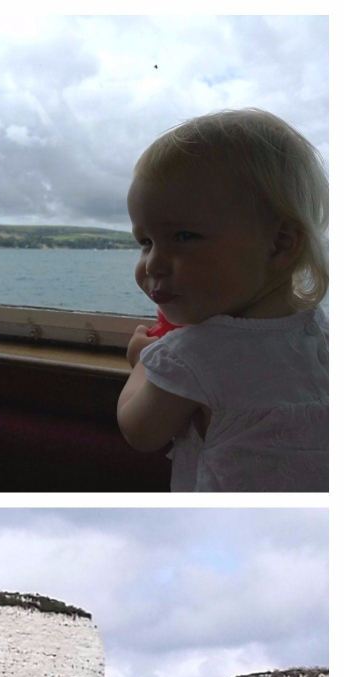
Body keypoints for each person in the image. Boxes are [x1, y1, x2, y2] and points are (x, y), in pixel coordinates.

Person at [117, 108, 328, 492]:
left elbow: (139, 430)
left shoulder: (195, 351)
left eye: (183, 236)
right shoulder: (319, 331)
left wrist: (142, 363)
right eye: (145, 242)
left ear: (280, 243)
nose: (154, 264)